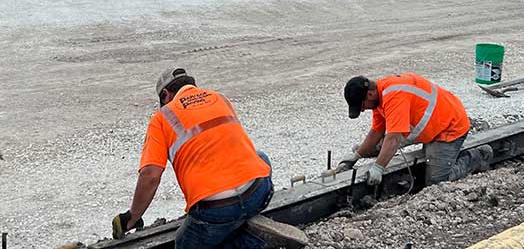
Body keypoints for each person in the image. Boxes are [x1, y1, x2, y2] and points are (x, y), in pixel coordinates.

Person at [111, 67, 306, 248]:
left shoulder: (162, 117)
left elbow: (150, 176)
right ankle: (242, 220)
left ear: (165, 95)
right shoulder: (221, 98)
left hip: (215, 210)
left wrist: (132, 217)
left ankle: (251, 241)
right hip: (258, 192)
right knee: (260, 157)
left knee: (184, 244)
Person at [336, 73, 492, 186]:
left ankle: (477, 156)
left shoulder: (394, 96)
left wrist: (378, 168)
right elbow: (376, 131)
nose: (363, 110)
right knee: (378, 146)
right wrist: (355, 157)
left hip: (448, 128)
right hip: (432, 124)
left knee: (436, 183)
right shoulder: (379, 95)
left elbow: (394, 138)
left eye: (362, 106)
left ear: (369, 94)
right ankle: (377, 153)